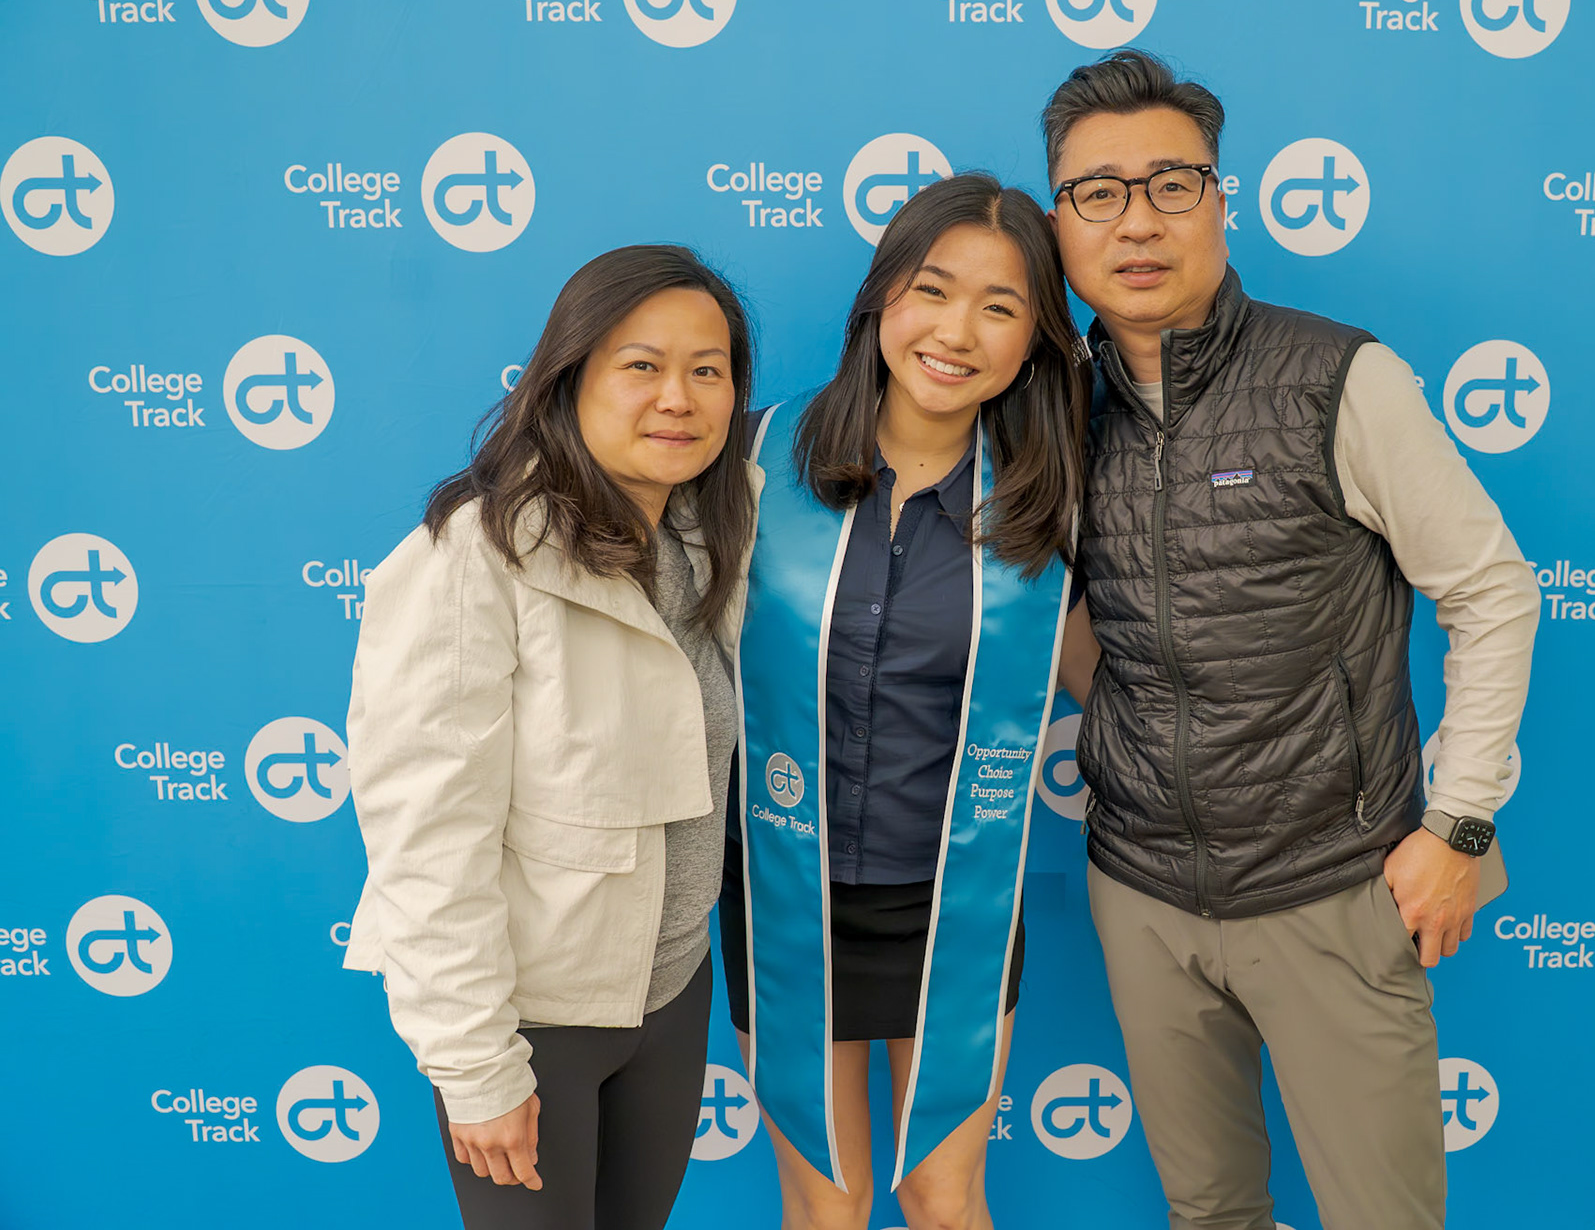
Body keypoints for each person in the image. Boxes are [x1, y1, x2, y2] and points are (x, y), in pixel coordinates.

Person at [1042, 51, 1543, 1230]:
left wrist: (1460, 825)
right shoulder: (1057, 410)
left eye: (1170, 184)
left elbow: (1493, 589)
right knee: (1210, 1211)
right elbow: (1068, 614)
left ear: (1222, 201)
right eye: (1097, 193)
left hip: (1333, 885)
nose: (1136, 221)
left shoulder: (1338, 377)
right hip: (1143, 890)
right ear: (1060, 224)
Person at [341, 244, 759, 1230]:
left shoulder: (708, 537)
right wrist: (475, 1063)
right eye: (642, 365)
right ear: (568, 378)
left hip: (670, 995)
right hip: (534, 1020)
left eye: (707, 370)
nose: (678, 397)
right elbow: (427, 839)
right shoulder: (475, 555)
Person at [717, 173, 1092, 1230]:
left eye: (1000, 307)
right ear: (882, 295)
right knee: (825, 1207)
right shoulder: (749, 462)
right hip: (784, 885)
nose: (956, 332)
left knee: (943, 1196)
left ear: (1035, 341)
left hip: (956, 892)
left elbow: (1118, 681)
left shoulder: (1052, 503)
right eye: (933, 290)